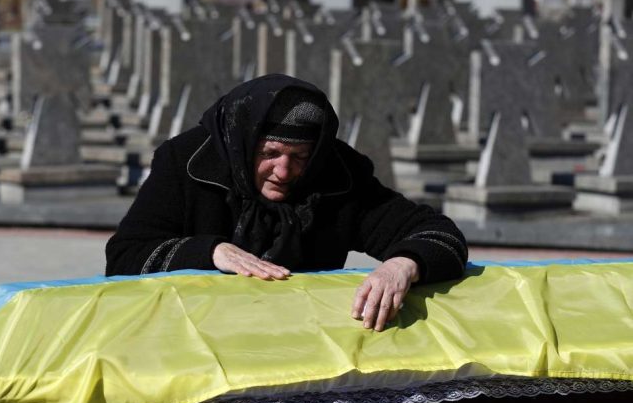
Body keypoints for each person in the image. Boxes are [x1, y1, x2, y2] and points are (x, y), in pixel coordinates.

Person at [106, 74, 467, 331]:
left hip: (297, 342)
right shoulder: (186, 162)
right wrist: (209, 252)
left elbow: (439, 234)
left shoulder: (336, 174)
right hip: (190, 337)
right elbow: (124, 258)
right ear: (244, 144)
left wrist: (402, 265)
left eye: (300, 156)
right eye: (270, 153)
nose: (284, 170)